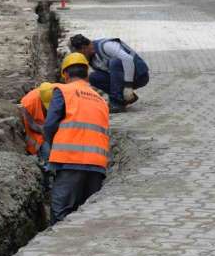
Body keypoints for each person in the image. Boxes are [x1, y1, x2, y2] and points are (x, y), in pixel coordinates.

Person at [43, 53, 110, 225]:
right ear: (86, 74)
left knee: (61, 211)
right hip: (97, 165)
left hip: (70, 160)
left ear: (65, 74)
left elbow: (50, 125)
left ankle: (56, 247)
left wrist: (52, 147)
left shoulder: (64, 91)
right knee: (87, 214)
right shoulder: (100, 99)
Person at [69, 34, 149, 113]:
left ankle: (116, 103)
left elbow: (128, 59)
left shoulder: (105, 46)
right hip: (123, 78)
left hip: (140, 75)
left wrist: (128, 86)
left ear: (83, 49)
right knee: (93, 77)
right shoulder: (90, 58)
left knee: (115, 62)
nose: (79, 57)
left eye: (79, 54)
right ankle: (124, 99)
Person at [19, 82, 54, 168]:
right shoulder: (28, 103)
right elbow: (31, 125)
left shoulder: (56, 94)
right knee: (46, 150)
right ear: (40, 98)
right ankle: (44, 166)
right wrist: (44, 131)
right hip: (35, 132)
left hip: (45, 128)